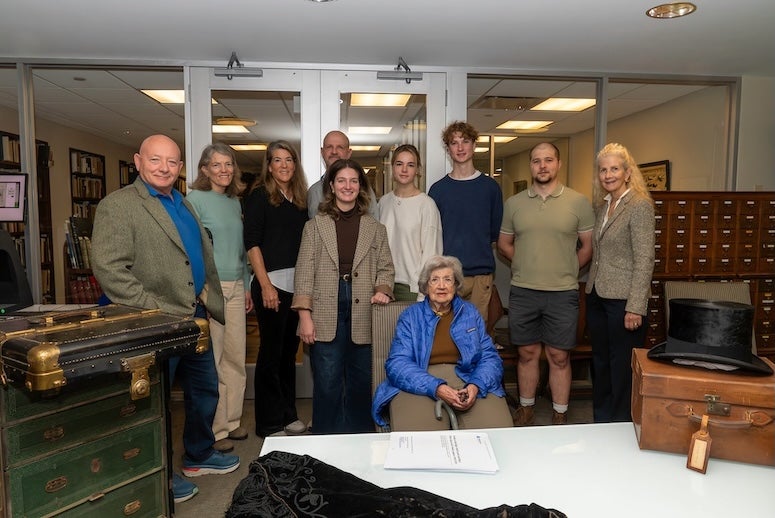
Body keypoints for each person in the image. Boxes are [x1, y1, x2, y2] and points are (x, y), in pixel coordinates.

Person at [91, 134, 239, 504]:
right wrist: (152, 308)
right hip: (153, 323)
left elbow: (194, 256)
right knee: (153, 402)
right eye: (156, 160)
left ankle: (199, 454)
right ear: (138, 161)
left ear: (181, 167)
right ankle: (155, 471)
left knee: (204, 391)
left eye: (172, 162)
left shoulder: (182, 202)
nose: (164, 168)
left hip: (193, 316)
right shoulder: (119, 206)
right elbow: (109, 269)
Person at [292, 158, 394, 434]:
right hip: (325, 308)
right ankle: (326, 439)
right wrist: (305, 316)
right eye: (341, 181)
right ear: (332, 187)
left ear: (360, 186)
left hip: (364, 309)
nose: (347, 186)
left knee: (362, 379)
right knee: (327, 379)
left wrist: (382, 290)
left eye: (353, 181)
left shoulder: (375, 228)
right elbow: (303, 273)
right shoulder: (314, 227)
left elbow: (386, 268)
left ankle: (359, 438)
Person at [497, 142, 595, 426]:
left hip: (562, 293)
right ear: (531, 166)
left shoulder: (578, 202)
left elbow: (588, 246)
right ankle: (526, 409)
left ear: (558, 164)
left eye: (548, 160)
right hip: (524, 291)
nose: (542, 166)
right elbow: (504, 244)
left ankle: (559, 413)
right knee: (527, 353)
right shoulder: (514, 203)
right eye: (537, 161)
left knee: (558, 355)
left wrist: (566, 269)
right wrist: (524, 262)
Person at [372, 255, 512, 430]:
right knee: (420, 439)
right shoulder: (411, 316)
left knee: (496, 431)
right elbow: (397, 364)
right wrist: (437, 387)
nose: (441, 285)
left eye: (448, 279)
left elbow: (490, 357)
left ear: (456, 285)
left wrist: (476, 385)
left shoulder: (470, 313)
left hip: (467, 376)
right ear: (425, 286)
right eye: (435, 280)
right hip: (420, 379)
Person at [186, 143, 253, 453]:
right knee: (214, 360)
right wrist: (201, 290)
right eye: (217, 165)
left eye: (229, 165)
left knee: (236, 356)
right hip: (211, 288)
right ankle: (216, 427)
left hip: (238, 286)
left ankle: (233, 418)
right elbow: (191, 249)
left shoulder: (234, 201)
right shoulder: (194, 201)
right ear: (204, 169)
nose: (224, 170)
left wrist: (247, 284)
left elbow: (241, 250)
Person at [243, 140, 309, 437]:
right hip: (271, 285)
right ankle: (268, 423)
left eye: (289, 160)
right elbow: (252, 244)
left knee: (288, 354)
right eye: (277, 160)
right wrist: (266, 285)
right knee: (270, 355)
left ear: (295, 165)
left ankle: (288, 414)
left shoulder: (299, 201)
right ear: (268, 165)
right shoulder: (259, 196)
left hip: (296, 287)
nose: (284, 165)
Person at [585, 143, 655, 422]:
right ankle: (601, 421)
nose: (608, 175)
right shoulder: (604, 206)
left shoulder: (639, 206)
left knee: (621, 368)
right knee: (600, 363)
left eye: (614, 169)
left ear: (627, 172)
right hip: (598, 296)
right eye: (603, 170)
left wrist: (636, 306)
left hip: (624, 302)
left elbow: (645, 258)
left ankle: (620, 424)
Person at [428, 121, 503, 321]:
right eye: (454, 143)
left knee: (475, 334)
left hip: (481, 275)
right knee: (446, 334)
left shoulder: (490, 188)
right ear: (448, 149)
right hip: (447, 276)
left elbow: (494, 232)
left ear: (474, 145)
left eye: (465, 141)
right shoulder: (438, 191)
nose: (460, 148)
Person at [378, 144, 443, 301]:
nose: (404, 170)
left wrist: (424, 294)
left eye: (410, 165)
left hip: (412, 289)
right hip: (384, 287)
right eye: (399, 164)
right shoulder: (383, 203)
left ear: (418, 170)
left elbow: (432, 254)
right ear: (393, 168)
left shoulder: (426, 205)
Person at [307, 130, 378, 219]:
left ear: (349, 153)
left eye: (340, 147)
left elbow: (374, 227)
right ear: (322, 152)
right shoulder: (313, 192)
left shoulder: (364, 189)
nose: (334, 152)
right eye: (329, 147)